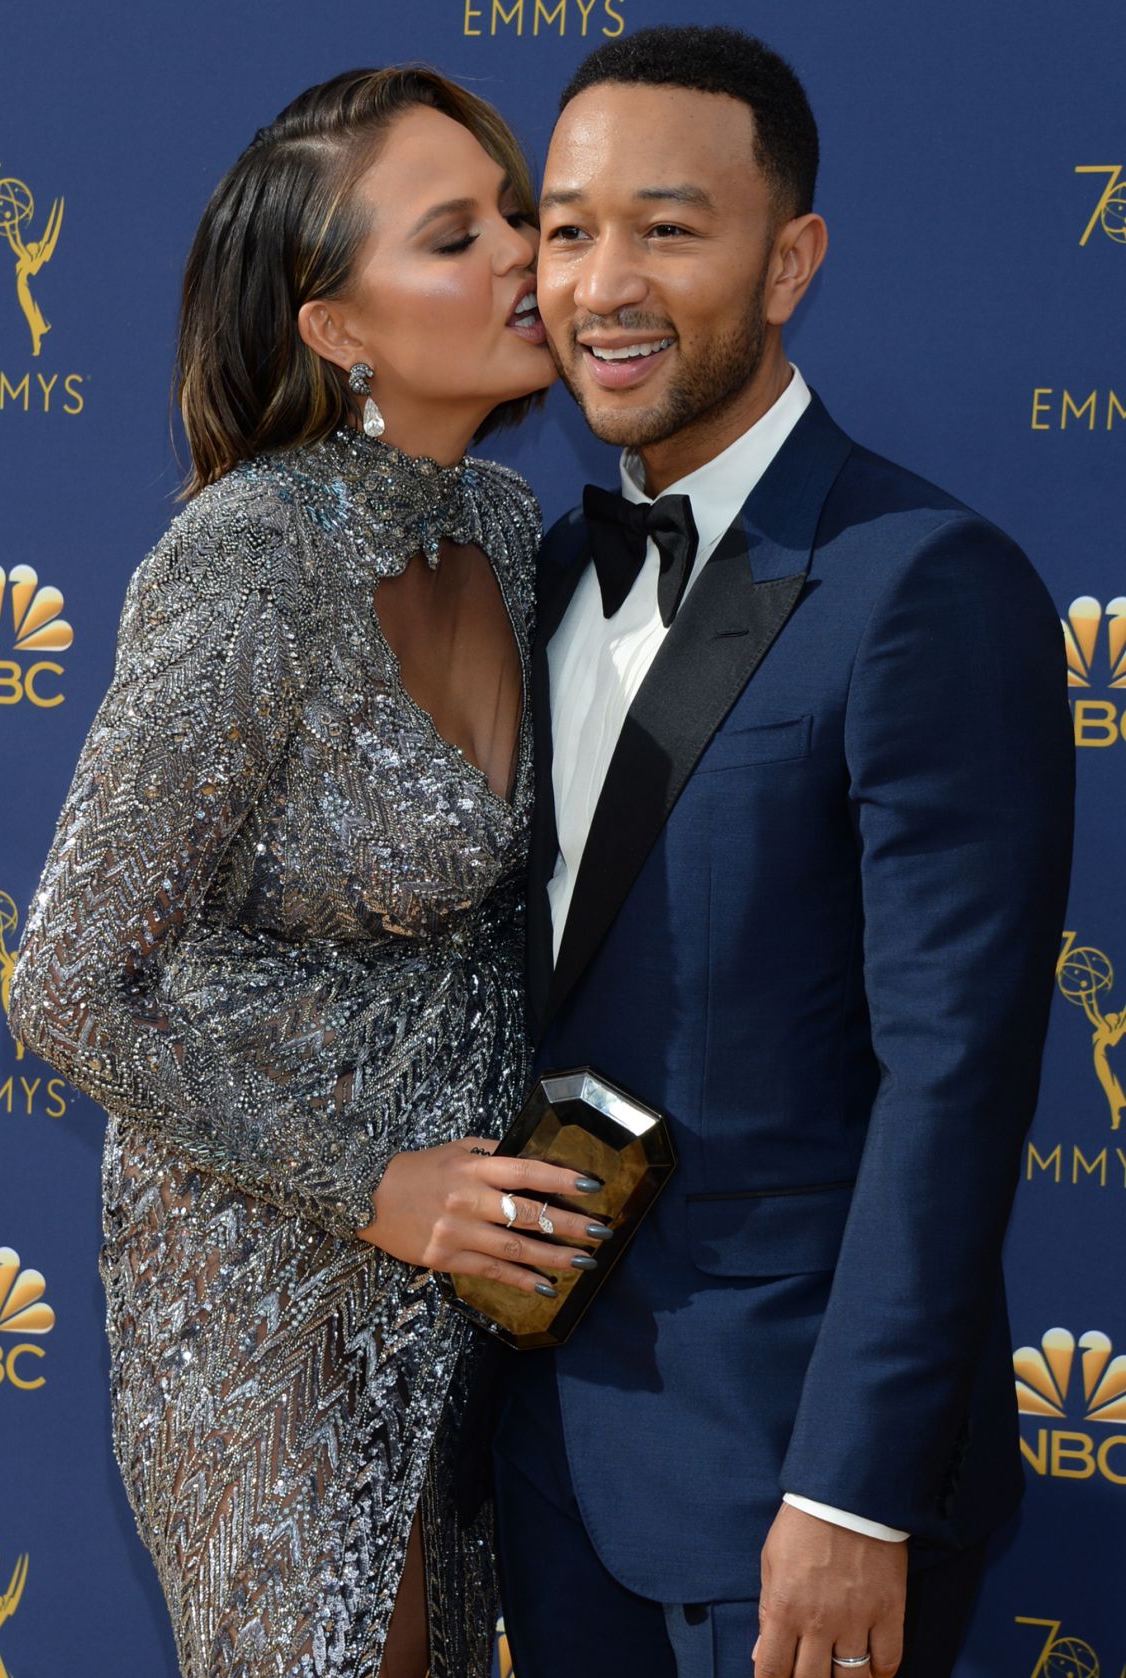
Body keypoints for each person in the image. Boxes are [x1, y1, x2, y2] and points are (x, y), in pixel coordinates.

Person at [490, 25, 1075, 1678]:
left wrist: (854, 1492)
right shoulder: (536, 575)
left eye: (670, 230)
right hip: (549, 1459)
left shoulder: (921, 584)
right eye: (569, 224)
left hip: (785, 1496)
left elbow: (953, 1074)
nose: (604, 281)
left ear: (791, 259)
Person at [8, 67, 603, 1678]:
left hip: (461, 1268)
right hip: (269, 1272)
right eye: (453, 235)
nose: (524, 259)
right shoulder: (251, 552)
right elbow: (61, 976)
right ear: (336, 326)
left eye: (516, 214)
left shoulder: (500, 516)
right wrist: (371, 1187)